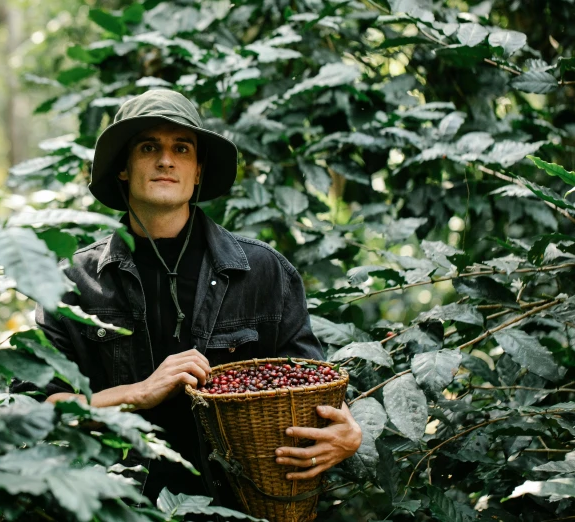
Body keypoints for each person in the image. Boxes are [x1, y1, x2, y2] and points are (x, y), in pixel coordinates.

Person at [28, 89, 362, 507]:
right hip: (117, 507)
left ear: (198, 170)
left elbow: (313, 389)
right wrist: (140, 392)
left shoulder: (261, 272)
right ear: (123, 169)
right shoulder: (71, 283)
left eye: (181, 148)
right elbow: (36, 410)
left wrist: (350, 432)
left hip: (242, 506)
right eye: (149, 147)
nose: (165, 160)